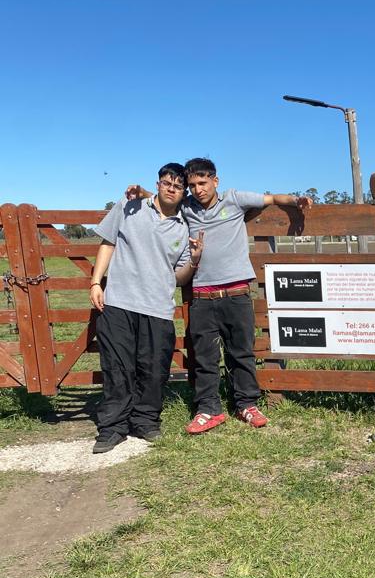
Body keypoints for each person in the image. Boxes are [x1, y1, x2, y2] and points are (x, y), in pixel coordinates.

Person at [129, 158, 312, 434]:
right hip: (202, 296)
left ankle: (246, 404)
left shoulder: (234, 199)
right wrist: (142, 193)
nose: (198, 189)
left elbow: (272, 197)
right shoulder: (187, 206)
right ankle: (208, 409)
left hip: (237, 293)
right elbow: (163, 198)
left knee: (241, 352)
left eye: (203, 183)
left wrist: (296, 200)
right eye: (192, 185)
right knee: (204, 356)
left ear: (216, 181)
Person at [90, 163, 204, 454]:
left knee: (154, 369)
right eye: (167, 183)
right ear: (158, 183)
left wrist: (194, 259)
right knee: (117, 367)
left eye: (178, 186)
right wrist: (95, 282)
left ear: (183, 192)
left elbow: (179, 278)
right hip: (119, 301)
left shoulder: (184, 225)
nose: (171, 189)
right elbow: (107, 242)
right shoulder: (130, 206)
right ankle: (112, 427)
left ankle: (145, 421)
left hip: (158, 307)